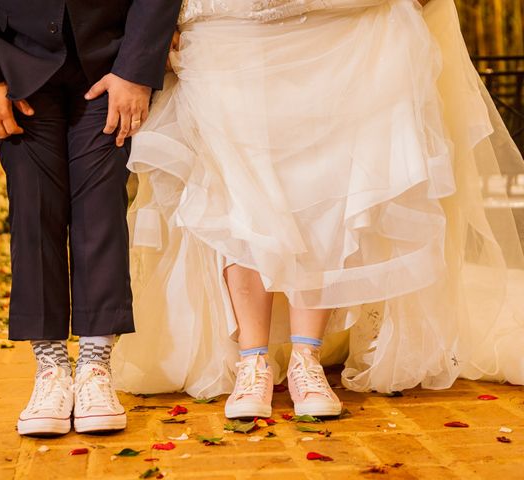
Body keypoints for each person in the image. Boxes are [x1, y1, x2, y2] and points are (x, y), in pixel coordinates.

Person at [112, 0, 524, 419]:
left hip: (337, 20)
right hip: (229, 23)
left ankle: (305, 359)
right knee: (236, 188)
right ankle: (252, 359)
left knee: (324, 189)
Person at [0, 0, 181, 435]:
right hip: (13, 65)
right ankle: (50, 370)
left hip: (110, 60)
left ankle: (95, 369)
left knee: (103, 206)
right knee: (32, 208)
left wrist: (137, 69)